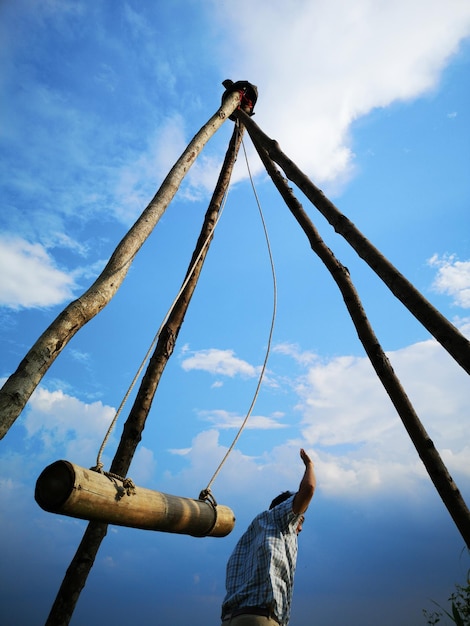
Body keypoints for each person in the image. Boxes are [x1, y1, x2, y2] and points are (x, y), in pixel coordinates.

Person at [221, 448, 316, 626]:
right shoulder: (282, 520)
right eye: (301, 518)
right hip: (259, 619)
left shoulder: (249, 538)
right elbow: (308, 489)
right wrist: (309, 465)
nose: (301, 528)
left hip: (231, 620)